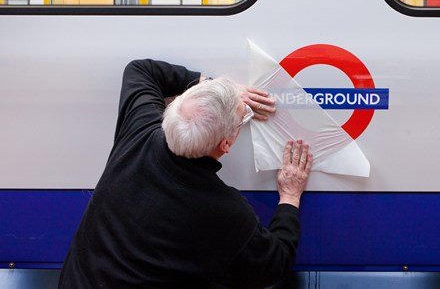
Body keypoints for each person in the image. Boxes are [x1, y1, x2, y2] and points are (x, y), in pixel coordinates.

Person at [58, 58, 313, 288]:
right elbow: (272, 266)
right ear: (226, 143)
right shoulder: (223, 211)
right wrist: (290, 197)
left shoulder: (139, 133)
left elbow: (139, 69)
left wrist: (215, 87)